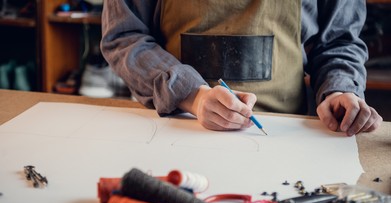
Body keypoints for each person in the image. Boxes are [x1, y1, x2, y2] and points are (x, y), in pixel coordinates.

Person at [100, 0, 382, 136]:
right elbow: (124, 36)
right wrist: (192, 95)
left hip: (287, 137)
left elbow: (339, 39)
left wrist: (338, 89)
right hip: (177, 128)